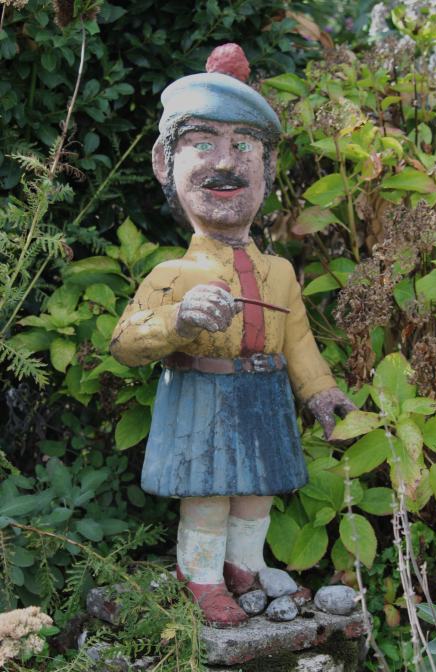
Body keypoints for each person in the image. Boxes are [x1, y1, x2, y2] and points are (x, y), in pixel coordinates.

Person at [111, 44, 355, 627]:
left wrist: (321, 393)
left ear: (268, 168)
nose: (226, 162)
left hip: (263, 396)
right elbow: (124, 342)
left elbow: (299, 344)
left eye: (245, 147)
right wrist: (178, 320)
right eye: (203, 144)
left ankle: (245, 566)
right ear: (165, 164)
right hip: (203, 398)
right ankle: (200, 575)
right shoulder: (171, 275)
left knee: (256, 493)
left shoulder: (280, 273)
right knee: (209, 495)